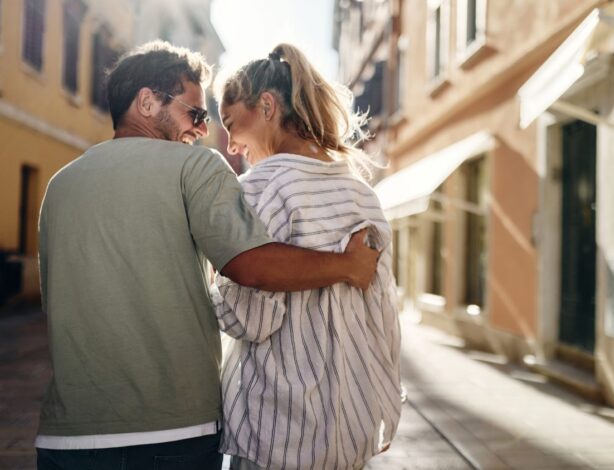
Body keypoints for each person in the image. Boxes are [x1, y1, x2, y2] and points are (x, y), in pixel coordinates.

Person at [34, 40, 379, 470]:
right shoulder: (195, 167)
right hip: (173, 431)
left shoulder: (59, 186)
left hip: (67, 437)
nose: (202, 130)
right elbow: (251, 266)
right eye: (195, 114)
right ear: (146, 102)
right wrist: (348, 266)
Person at [212, 43, 402, 470]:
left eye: (230, 123)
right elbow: (384, 315)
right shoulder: (362, 194)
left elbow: (249, 320)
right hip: (349, 426)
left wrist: (213, 282)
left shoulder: (259, 189)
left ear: (265, 106)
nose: (232, 143)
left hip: (277, 427)